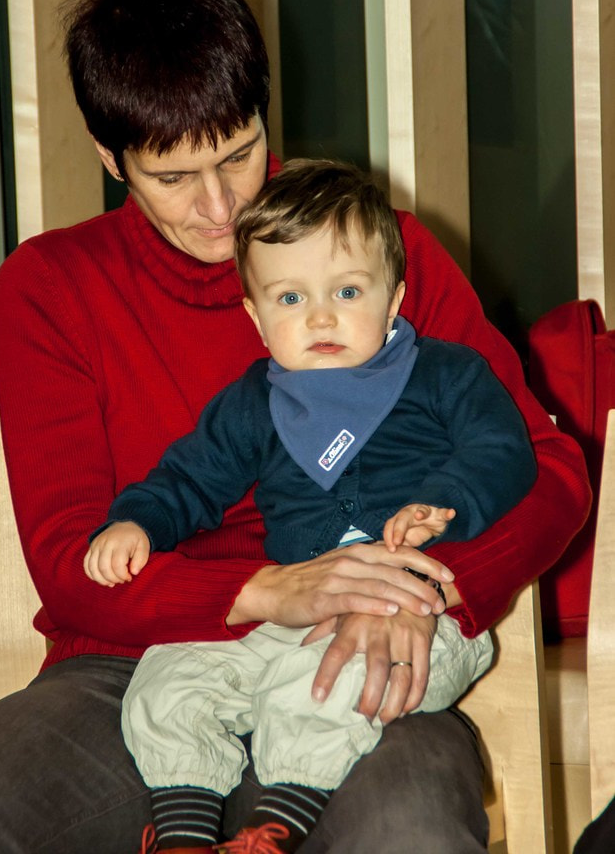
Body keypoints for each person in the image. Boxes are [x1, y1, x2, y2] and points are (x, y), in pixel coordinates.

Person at [0, 0, 590, 854]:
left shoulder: (381, 255)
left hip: (364, 641)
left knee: (407, 829)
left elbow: (549, 469)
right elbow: (68, 557)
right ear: (108, 156)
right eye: (173, 177)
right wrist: (262, 590)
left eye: (239, 154)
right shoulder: (49, 288)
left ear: (262, 113)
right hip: (133, 671)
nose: (219, 208)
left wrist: (420, 594)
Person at [85, 159, 536, 853]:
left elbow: (502, 449)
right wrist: (138, 520)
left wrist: (444, 504)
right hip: (291, 617)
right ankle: (183, 832)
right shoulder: (253, 402)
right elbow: (190, 478)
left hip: (417, 617)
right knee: (168, 677)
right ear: (255, 316)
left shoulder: (446, 375)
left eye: (347, 291)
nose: (320, 316)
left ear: (393, 299)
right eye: (290, 298)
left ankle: (274, 827)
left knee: (326, 683)